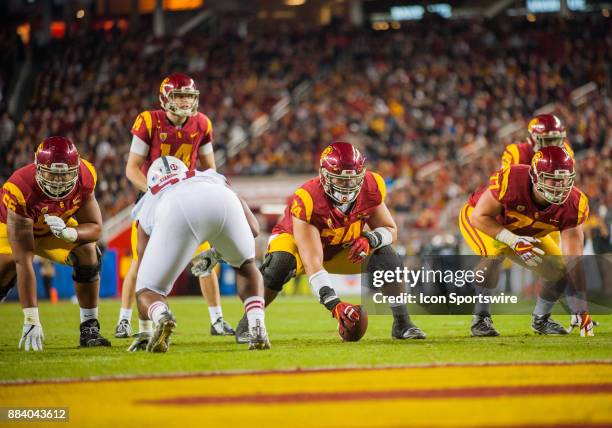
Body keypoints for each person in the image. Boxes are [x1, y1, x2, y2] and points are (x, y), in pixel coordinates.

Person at [234, 142, 426, 343]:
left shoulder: (371, 186)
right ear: (323, 175)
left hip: (340, 245)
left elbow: (390, 229)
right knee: (279, 263)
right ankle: (248, 323)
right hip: (298, 245)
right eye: (340, 181)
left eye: (353, 180)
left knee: (388, 257)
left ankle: (403, 323)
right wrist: (334, 304)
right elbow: (313, 263)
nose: (347, 187)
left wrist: (371, 238)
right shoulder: (308, 198)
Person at [116, 72, 233, 339]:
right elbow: (132, 169)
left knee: (204, 261)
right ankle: (124, 320)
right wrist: (155, 190)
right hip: (153, 198)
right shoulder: (149, 120)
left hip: (188, 199)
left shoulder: (202, 123)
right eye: (179, 96)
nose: (184, 102)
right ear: (165, 97)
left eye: (188, 97)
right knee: (141, 261)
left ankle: (217, 320)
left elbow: (210, 169)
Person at [127, 156, 269, 352]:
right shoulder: (209, 176)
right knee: (246, 265)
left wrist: (145, 330)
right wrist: (217, 253)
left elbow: (143, 266)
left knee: (148, 289)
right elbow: (253, 229)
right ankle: (257, 327)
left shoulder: (151, 196)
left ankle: (161, 316)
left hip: (175, 208)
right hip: (222, 198)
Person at [459, 146, 593, 337]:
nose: (559, 185)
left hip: (526, 231)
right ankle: (481, 318)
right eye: (552, 179)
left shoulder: (574, 204)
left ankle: (541, 319)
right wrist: (512, 240)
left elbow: (574, 259)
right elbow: (479, 217)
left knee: (559, 270)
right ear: (535, 176)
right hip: (485, 220)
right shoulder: (512, 180)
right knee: (495, 253)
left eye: (564, 179)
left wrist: (581, 307)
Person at [0, 136, 111, 351]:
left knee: (89, 252)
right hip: (10, 229)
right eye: (52, 174)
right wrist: (31, 318)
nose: (59, 181)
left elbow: (95, 228)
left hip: (53, 230)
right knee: (8, 266)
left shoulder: (85, 176)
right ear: (38, 169)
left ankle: (90, 329)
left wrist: (71, 233)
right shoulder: (20, 187)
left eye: (66, 174)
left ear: (76, 170)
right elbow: (25, 259)